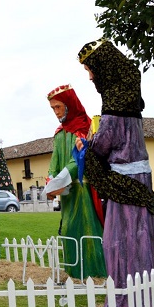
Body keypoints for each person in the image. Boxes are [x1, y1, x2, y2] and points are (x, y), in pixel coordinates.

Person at [76, 37, 154, 307]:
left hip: (123, 182)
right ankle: (149, 298)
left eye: (91, 70)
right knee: (140, 237)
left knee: (119, 241)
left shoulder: (113, 109)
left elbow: (102, 147)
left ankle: (128, 303)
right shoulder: (130, 101)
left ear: (103, 68)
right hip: (140, 178)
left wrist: (86, 145)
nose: (90, 77)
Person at [44, 84, 106, 279]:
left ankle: (93, 273)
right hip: (66, 192)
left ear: (69, 105)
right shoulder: (59, 132)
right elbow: (55, 160)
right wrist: (50, 180)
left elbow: (77, 160)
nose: (55, 112)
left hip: (82, 188)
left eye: (58, 107)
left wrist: (60, 180)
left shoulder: (83, 127)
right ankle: (73, 271)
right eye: (53, 108)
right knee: (69, 228)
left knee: (85, 229)